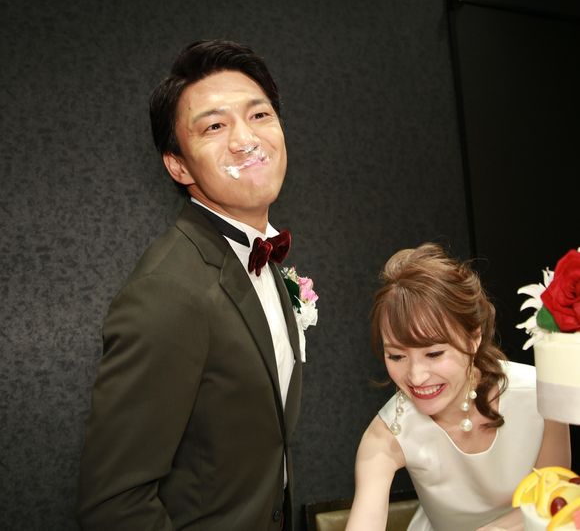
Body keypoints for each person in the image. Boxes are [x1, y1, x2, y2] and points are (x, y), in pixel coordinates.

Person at [77, 40, 303, 531]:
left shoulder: (262, 258)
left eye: (259, 115)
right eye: (215, 126)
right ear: (178, 165)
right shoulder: (166, 290)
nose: (246, 139)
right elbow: (114, 503)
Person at [346, 243, 570, 531]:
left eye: (434, 353)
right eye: (397, 356)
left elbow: (554, 501)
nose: (416, 377)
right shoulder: (385, 435)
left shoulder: (540, 395)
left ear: (473, 338)